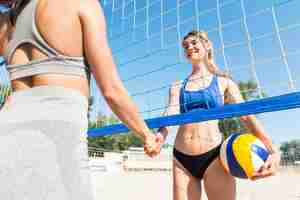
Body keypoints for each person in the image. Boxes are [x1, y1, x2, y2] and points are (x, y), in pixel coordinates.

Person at [0, 0, 161, 199]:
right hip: (59, 134)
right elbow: (111, 90)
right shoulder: (79, 3)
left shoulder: (4, 23)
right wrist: (147, 134)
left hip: (7, 131)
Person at [157, 30, 281, 200]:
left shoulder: (224, 82)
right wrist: (160, 135)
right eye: (185, 46)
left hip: (214, 156)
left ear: (207, 45)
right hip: (181, 158)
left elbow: (246, 116)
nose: (189, 47)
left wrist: (273, 151)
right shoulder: (177, 85)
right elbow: (170, 111)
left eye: (194, 43)